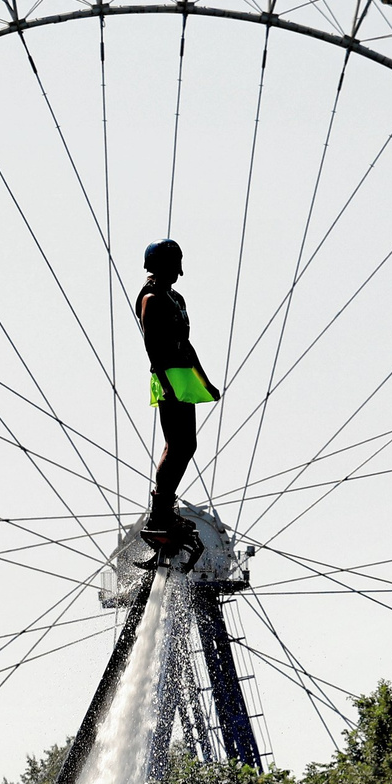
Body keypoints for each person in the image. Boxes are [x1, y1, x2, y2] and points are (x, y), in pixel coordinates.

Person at [136, 238, 218, 556]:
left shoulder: (175, 297)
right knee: (177, 444)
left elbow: (186, 343)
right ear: (158, 264)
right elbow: (153, 345)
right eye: (174, 263)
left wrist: (204, 380)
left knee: (188, 444)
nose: (179, 271)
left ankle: (165, 509)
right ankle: (161, 512)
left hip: (183, 374)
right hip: (168, 374)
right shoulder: (153, 299)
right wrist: (166, 382)